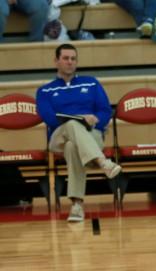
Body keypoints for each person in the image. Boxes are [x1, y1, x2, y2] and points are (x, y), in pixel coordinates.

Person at [35, 43, 121, 223]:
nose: (70, 62)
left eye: (73, 59)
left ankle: (77, 205)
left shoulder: (91, 83)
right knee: (72, 126)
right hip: (58, 136)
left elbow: (105, 111)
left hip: (91, 134)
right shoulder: (45, 91)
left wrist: (95, 120)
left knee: (72, 147)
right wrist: (80, 118)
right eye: (65, 58)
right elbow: (50, 118)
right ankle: (102, 162)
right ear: (56, 61)